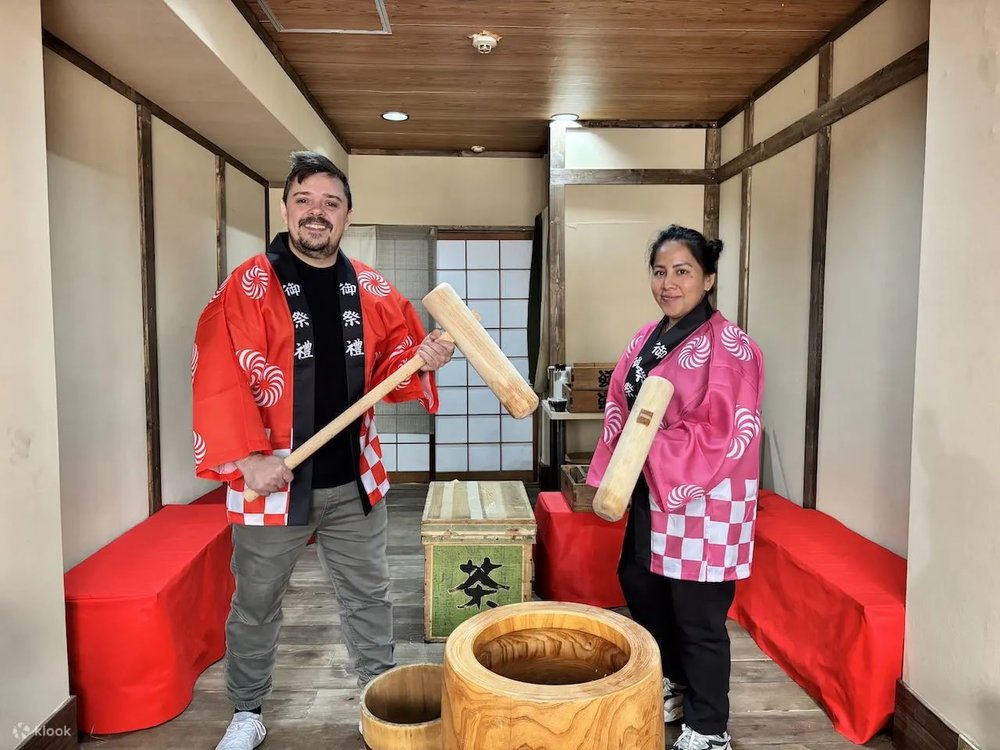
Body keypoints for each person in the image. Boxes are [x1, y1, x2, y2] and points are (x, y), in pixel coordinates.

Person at [191, 151, 455, 750]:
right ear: (286, 209)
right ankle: (247, 710)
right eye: (305, 201)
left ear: (347, 215)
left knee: (369, 596)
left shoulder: (372, 287)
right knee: (256, 601)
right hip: (272, 480)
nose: (317, 213)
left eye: (330, 203)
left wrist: (424, 358)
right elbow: (217, 372)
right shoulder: (249, 285)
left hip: (354, 476)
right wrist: (248, 459)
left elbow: (396, 360)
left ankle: (376, 698)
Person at [587, 225, 764, 750]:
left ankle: (709, 728)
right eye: (660, 272)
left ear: (708, 279)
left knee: (698, 613)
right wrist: (624, 465)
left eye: (683, 271)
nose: (668, 283)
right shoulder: (647, 336)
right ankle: (680, 684)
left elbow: (724, 431)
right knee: (640, 583)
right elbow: (622, 404)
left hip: (705, 498)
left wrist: (647, 445)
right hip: (653, 489)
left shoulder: (731, 347)